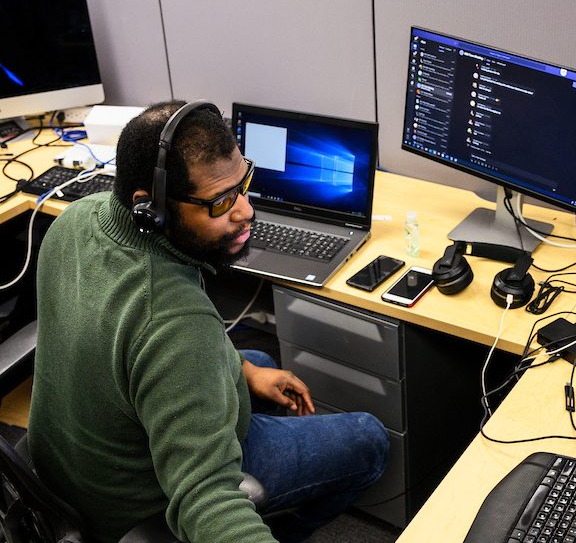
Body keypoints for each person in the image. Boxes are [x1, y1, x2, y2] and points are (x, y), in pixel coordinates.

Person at [28, 100, 390, 543]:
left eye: (244, 184)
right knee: (369, 439)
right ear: (151, 207)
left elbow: (137, 343)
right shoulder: (175, 319)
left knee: (253, 356)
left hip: (75, 468)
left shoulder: (77, 219)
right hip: (135, 501)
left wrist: (245, 370)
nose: (246, 211)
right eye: (220, 202)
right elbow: (203, 496)